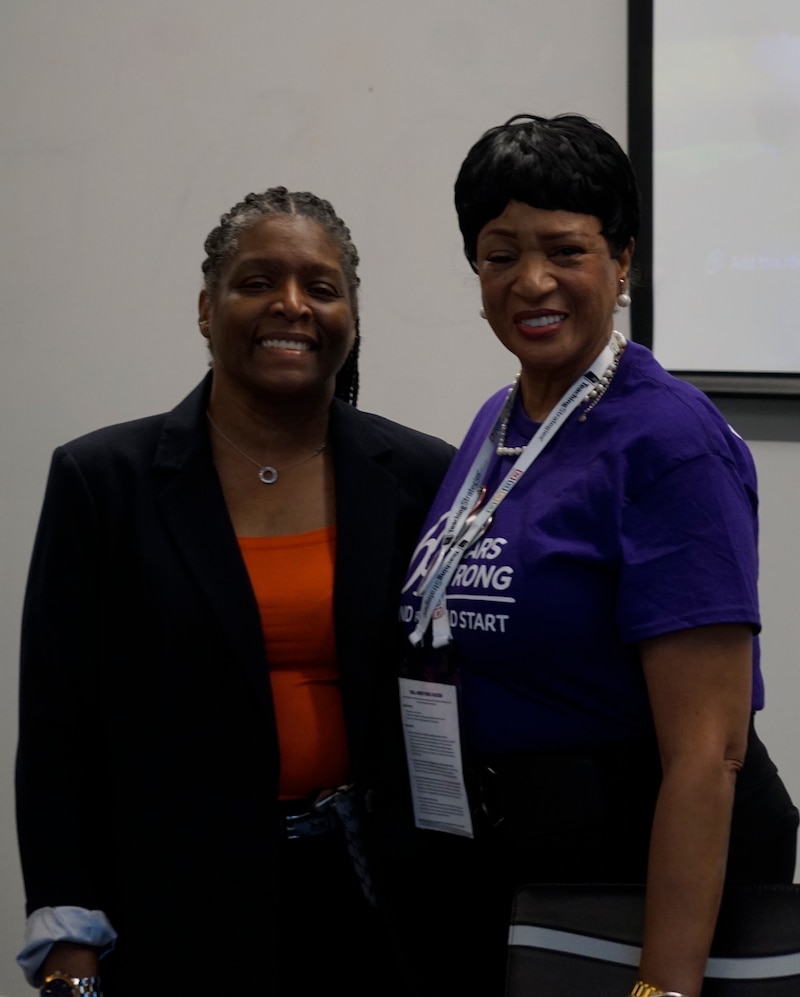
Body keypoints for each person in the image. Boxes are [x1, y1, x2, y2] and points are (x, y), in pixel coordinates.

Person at [389, 115, 799, 997]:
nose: (532, 281)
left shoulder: (668, 440)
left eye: (565, 250)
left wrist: (664, 988)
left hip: (636, 870)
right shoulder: (500, 421)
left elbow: (708, 753)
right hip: (519, 864)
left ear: (623, 262)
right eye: (501, 255)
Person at [15, 186, 454, 996]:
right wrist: (65, 932)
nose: (292, 304)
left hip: (374, 903)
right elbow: (56, 728)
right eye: (257, 281)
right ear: (205, 307)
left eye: (321, 287)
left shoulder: (422, 477)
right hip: (173, 905)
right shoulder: (103, 481)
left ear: (351, 316)